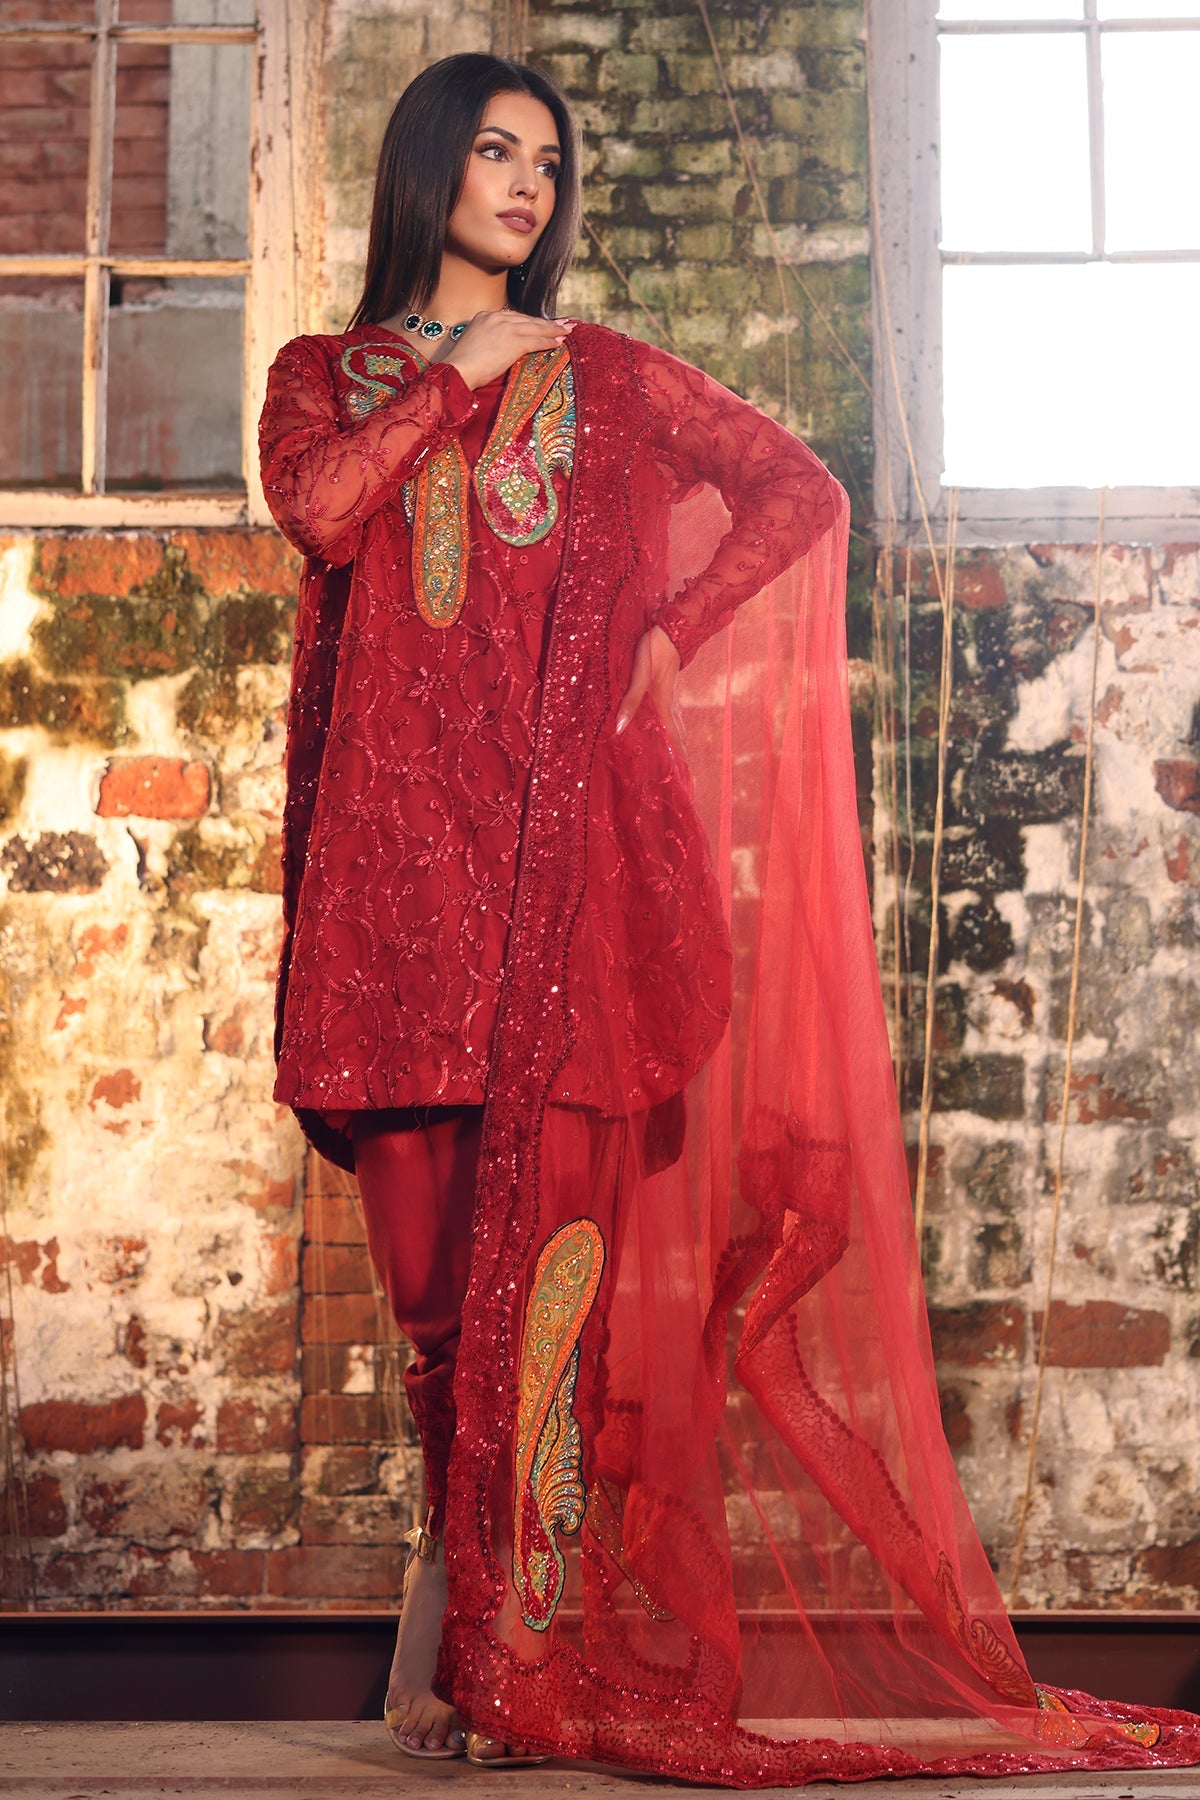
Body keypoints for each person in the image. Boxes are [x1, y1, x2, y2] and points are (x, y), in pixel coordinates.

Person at [259, 51, 1200, 1787]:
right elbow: (319, 512)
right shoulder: (325, 375)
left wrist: (671, 626)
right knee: (436, 1309)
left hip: (569, 901)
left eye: (551, 162)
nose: (529, 185)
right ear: (427, 168)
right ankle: (450, 1582)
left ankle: (515, 1653)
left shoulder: (612, 380)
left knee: (553, 1306)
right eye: (497, 151)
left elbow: (802, 493)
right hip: (396, 902)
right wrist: (464, 370)